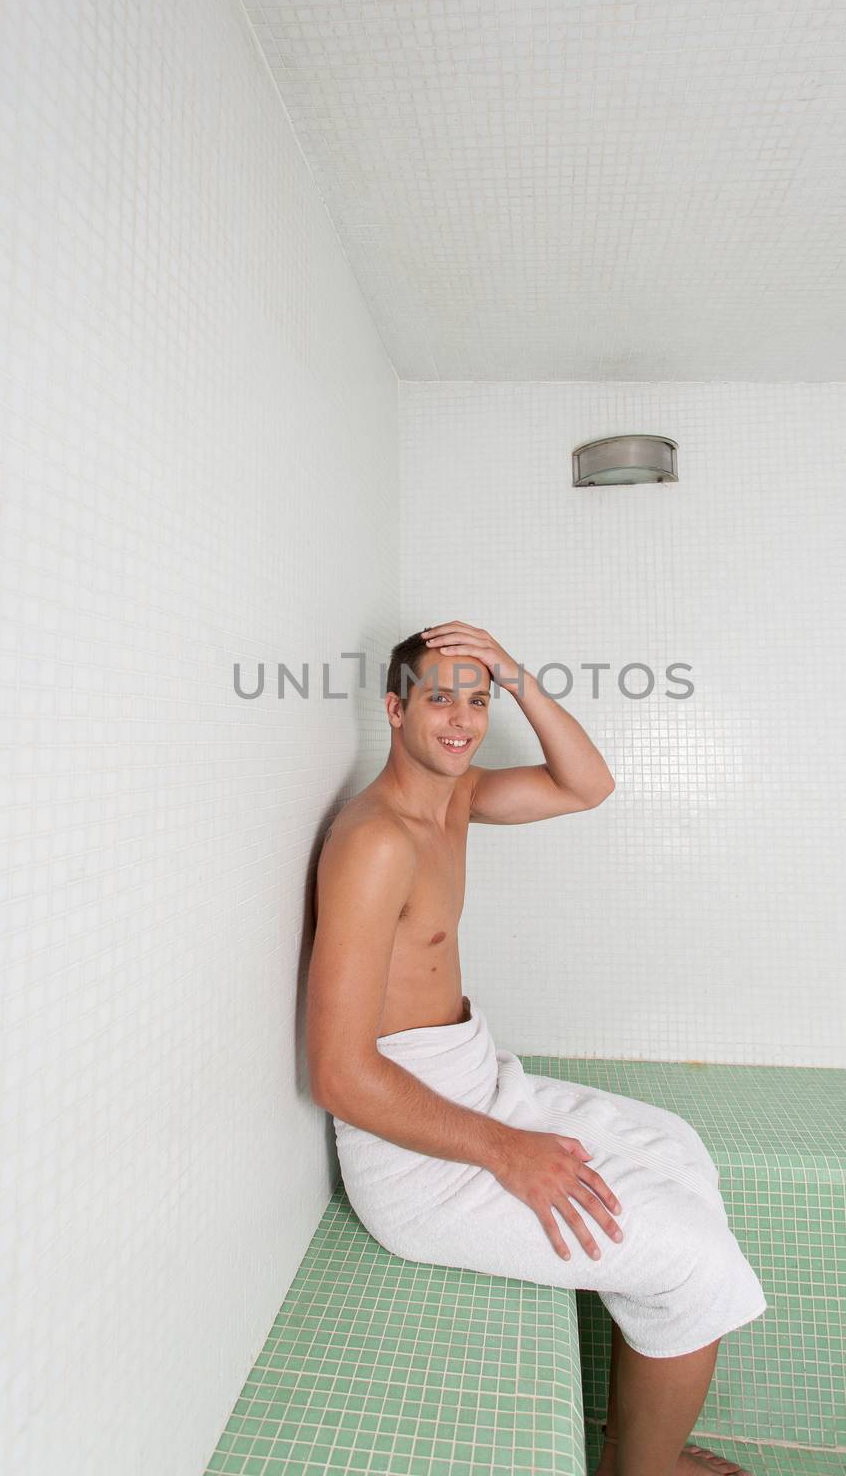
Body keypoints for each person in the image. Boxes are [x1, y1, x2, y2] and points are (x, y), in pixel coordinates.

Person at [306, 621, 766, 1476]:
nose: (461, 718)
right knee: (695, 1267)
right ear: (394, 708)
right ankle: (644, 1472)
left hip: (475, 1080)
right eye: (439, 697)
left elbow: (587, 785)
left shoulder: (453, 798)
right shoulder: (375, 842)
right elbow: (339, 1073)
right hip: (416, 1158)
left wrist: (516, 676)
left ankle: (637, 1442)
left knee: (678, 1145)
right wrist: (505, 1150)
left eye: (476, 700)